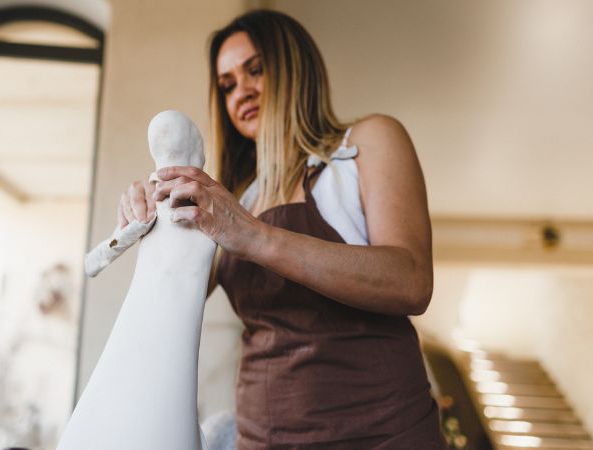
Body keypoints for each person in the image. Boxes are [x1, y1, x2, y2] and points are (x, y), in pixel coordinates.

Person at [118, 9, 446, 450]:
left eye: (256, 70)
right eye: (227, 84)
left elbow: (410, 281)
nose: (241, 93)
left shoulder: (366, 144)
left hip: (380, 433)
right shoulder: (237, 200)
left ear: (295, 68)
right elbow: (170, 304)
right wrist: (155, 232)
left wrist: (253, 236)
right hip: (262, 439)